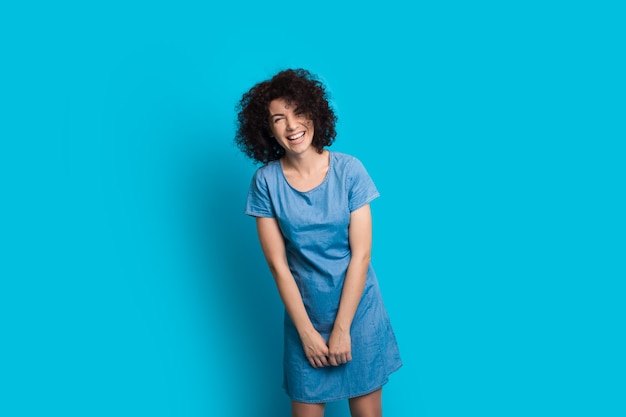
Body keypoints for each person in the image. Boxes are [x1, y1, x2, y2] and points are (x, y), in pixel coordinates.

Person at [235, 68, 401, 417]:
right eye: (279, 118)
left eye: (298, 113)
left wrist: (342, 329)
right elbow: (278, 267)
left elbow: (361, 255)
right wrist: (307, 333)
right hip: (304, 317)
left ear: (314, 114)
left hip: (359, 315)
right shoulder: (265, 182)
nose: (292, 125)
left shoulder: (350, 171)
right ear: (267, 128)